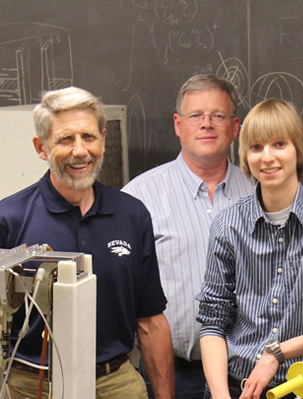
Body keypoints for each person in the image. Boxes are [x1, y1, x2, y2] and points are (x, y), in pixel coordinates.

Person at [0, 87, 175, 399]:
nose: (79, 151)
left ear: (104, 140)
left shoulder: (131, 215)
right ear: (41, 147)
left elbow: (150, 322)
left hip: (116, 383)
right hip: (31, 386)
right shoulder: (9, 218)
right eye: (66, 139)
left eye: (88, 137)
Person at [196, 99, 303, 399]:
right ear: (245, 156)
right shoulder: (228, 224)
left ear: (298, 149)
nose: (267, 157)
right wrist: (220, 395)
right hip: (237, 386)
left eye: (279, 144)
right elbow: (213, 322)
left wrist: (277, 353)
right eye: (256, 147)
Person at [123, 74, 253, 398]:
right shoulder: (139, 197)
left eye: (218, 116)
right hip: (171, 376)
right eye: (196, 116)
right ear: (178, 124)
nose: (207, 124)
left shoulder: (260, 193)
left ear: (235, 127)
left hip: (249, 376)